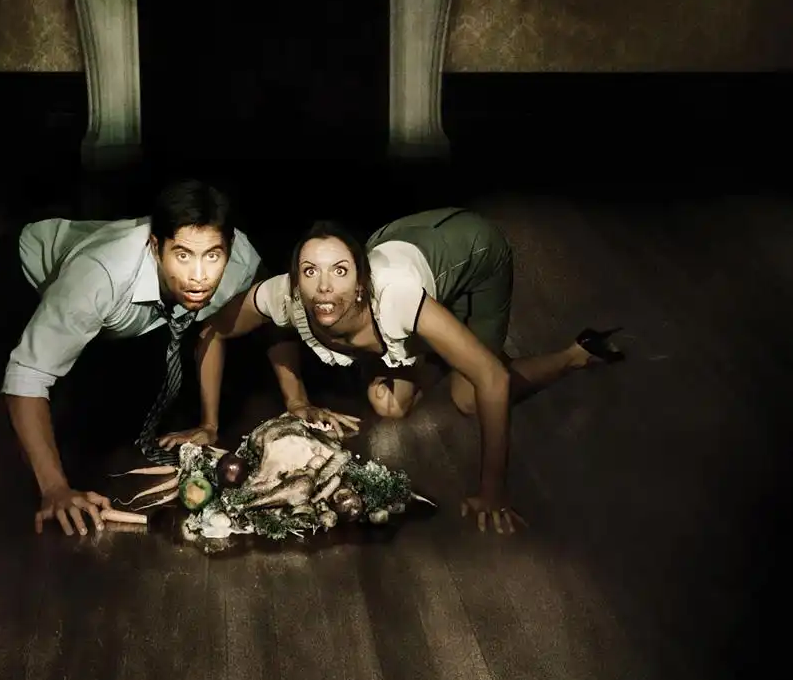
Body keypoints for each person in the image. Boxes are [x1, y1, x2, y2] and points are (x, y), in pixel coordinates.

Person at [199, 205, 624, 536]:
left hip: (471, 252)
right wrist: (233, 418)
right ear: (295, 281)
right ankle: (447, 348)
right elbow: (215, 331)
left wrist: (492, 491)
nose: (323, 286)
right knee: (388, 404)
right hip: (403, 240)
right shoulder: (286, 295)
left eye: (339, 271)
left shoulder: (396, 298)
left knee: (470, 396)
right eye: (310, 271)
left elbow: (493, 377)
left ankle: (575, 354)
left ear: (360, 283)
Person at [0, 179, 260, 536]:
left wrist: (209, 424)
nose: (199, 276)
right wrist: (55, 490)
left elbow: (221, 327)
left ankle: (56, 348)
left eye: (212, 256)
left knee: (92, 435)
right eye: (183, 255)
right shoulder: (101, 274)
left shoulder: (239, 261)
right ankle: (30, 348)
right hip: (19, 280)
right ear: (155, 247)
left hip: (111, 317)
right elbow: (27, 375)